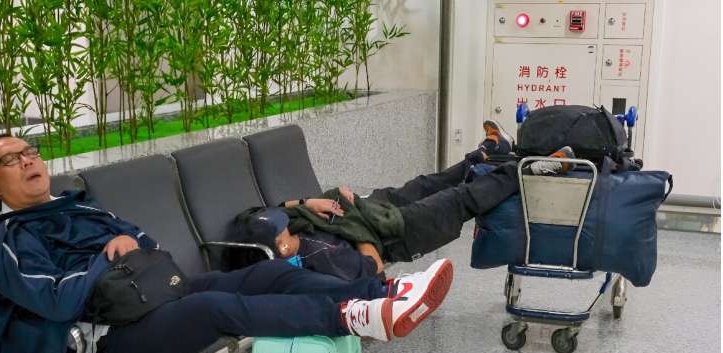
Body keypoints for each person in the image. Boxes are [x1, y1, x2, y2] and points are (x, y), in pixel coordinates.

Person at [0, 134, 454, 353]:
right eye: (10, 161)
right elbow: (55, 301)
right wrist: (106, 257)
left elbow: (144, 242)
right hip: (109, 336)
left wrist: (126, 248)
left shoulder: (76, 206)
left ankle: (381, 291)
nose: (28, 162)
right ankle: (355, 315)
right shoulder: (5, 241)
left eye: (30, 152)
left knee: (267, 275)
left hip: (150, 294)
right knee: (216, 307)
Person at [233, 121, 575, 281]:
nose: (285, 225)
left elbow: (261, 212)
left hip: (369, 208)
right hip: (396, 234)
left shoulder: (281, 226)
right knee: (459, 198)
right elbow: (373, 272)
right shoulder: (316, 257)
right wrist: (359, 232)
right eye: (282, 233)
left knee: (427, 182)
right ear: (280, 250)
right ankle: (531, 170)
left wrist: (308, 203)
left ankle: (490, 152)